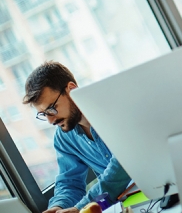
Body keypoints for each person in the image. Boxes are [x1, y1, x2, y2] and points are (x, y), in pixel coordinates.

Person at [23, 61, 132, 213]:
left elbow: (123, 166)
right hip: (127, 204)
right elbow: (70, 183)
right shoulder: (64, 138)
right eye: (43, 114)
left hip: (163, 189)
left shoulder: (115, 110)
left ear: (71, 89)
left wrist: (80, 208)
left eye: (51, 109)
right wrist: (58, 207)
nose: (50, 120)